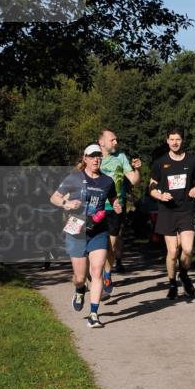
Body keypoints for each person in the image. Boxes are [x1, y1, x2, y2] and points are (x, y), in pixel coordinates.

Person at [49, 144, 122, 329]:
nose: (96, 159)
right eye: (92, 156)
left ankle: (94, 315)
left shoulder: (107, 181)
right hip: (76, 230)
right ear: (85, 159)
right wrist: (65, 203)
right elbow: (54, 197)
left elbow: (113, 198)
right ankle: (80, 289)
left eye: (99, 156)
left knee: (97, 272)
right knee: (80, 277)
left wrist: (116, 205)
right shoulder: (74, 178)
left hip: (98, 230)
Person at [148, 128, 195, 300]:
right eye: (171, 139)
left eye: (177, 139)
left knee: (188, 249)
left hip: (186, 210)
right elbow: (151, 187)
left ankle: (184, 275)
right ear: (167, 141)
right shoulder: (160, 162)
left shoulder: (192, 160)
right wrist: (160, 196)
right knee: (172, 252)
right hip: (167, 211)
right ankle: (172, 283)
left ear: (182, 140)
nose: (174, 142)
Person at [98, 128, 142, 288]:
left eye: (116, 139)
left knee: (110, 246)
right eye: (112, 140)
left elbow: (134, 181)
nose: (116, 142)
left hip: (115, 207)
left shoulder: (121, 157)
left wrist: (137, 169)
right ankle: (95, 274)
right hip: (95, 207)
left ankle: (107, 274)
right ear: (101, 142)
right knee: (95, 246)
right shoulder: (93, 157)